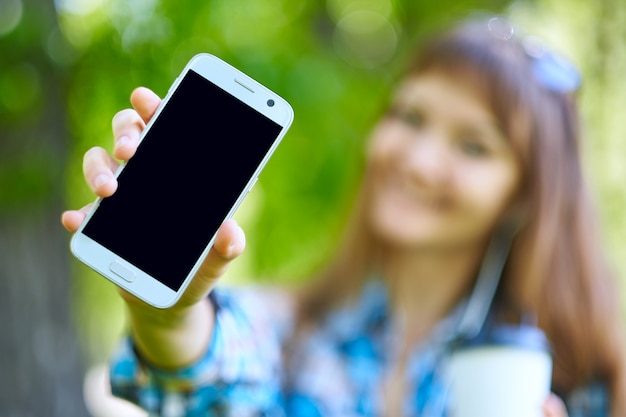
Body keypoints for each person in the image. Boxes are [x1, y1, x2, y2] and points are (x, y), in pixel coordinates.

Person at [62, 15, 626, 417]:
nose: (420, 162)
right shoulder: (287, 330)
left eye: (474, 146)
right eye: (410, 117)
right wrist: (165, 313)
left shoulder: (583, 376)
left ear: (526, 194)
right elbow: (210, 374)